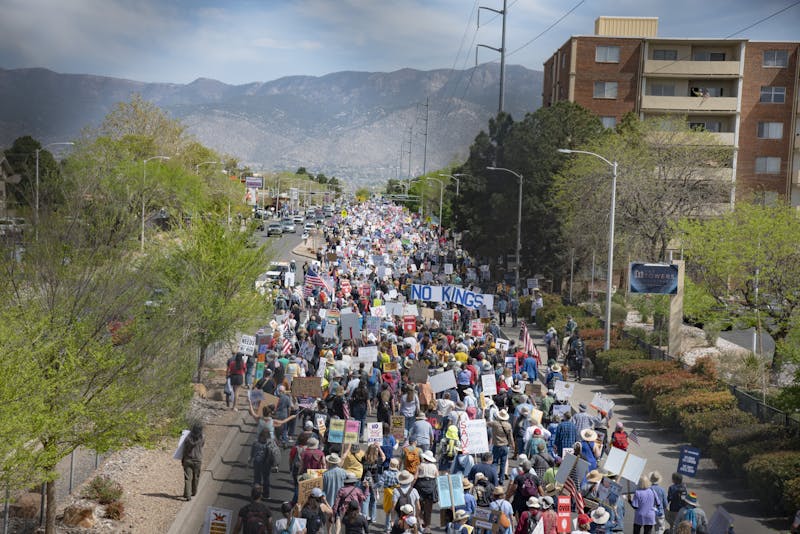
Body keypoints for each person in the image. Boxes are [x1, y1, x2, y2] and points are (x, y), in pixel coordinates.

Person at [488, 409, 514, 484]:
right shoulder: (508, 425)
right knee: (503, 463)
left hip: (496, 445)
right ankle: (501, 480)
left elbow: (487, 423)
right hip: (505, 446)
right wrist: (512, 445)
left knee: (495, 462)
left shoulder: (495, 423)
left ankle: (494, 478)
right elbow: (511, 437)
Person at [415, 451, 439, 531]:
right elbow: (437, 477)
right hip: (431, 486)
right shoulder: (434, 467)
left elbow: (415, 477)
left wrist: (411, 486)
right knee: (428, 509)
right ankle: (427, 526)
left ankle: (420, 523)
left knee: (419, 507)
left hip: (420, 486)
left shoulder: (420, 466)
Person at [181, 422, 204, 501]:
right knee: (196, 477)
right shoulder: (202, 438)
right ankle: (194, 492)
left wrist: (183, 459)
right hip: (197, 460)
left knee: (188, 478)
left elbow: (184, 449)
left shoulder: (187, 438)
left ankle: (187, 495)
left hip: (188, 459)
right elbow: (202, 446)